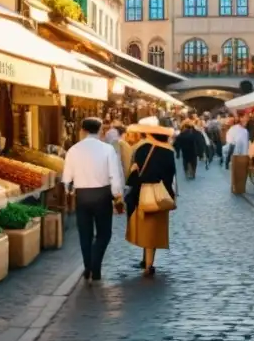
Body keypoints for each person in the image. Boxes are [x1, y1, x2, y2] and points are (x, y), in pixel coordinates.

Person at [61, 118, 125, 283]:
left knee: (85, 234)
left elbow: (67, 178)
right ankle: (94, 267)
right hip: (102, 195)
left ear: (82, 130)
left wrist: (69, 191)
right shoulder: (107, 149)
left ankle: (88, 266)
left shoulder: (73, 150)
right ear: (100, 130)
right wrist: (117, 195)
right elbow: (114, 175)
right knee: (104, 233)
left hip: (82, 195)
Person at [125, 117, 177, 276]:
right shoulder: (168, 152)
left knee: (144, 227)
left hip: (142, 192)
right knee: (154, 230)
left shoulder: (141, 149)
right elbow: (170, 176)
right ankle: (148, 263)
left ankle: (146, 262)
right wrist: (169, 194)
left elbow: (133, 173)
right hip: (160, 193)